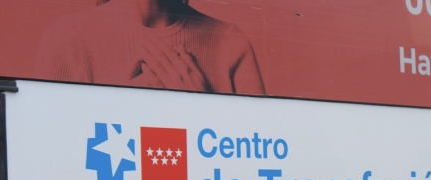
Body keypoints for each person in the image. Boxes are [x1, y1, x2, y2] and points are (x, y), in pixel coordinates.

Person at [34, 0, 265, 95]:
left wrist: (200, 108)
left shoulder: (231, 44)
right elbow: (49, 167)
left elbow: (256, 167)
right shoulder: (65, 40)